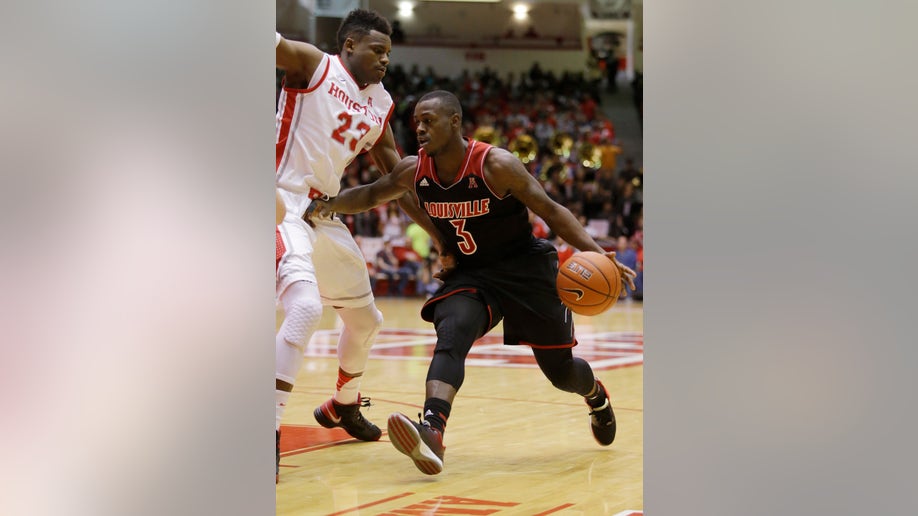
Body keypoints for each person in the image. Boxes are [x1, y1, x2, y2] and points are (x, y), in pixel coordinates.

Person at [308, 90, 636, 475]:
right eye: (417, 122)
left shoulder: (495, 164)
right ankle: (432, 431)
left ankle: (596, 397)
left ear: (454, 122)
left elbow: (551, 210)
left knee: (562, 373)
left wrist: (596, 252)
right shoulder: (415, 170)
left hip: (525, 271)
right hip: (472, 272)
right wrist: (324, 203)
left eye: (429, 121)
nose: (420, 129)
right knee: (453, 330)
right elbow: (369, 194)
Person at [274, 9, 436, 482]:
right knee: (305, 310)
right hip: (281, 202)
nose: (385, 60)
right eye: (377, 50)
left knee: (366, 321)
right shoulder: (313, 64)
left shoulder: (380, 103)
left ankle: (344, 405)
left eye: (389, 52)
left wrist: (441, 236)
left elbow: (397, 178)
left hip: (322, 212)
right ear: (348, 46)